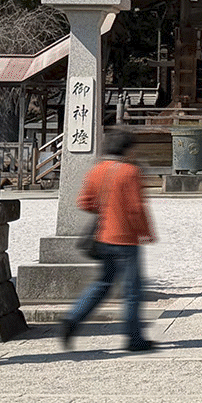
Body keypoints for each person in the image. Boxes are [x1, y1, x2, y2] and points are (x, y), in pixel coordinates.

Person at [60, 130, 156, 353]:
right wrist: (145, 232)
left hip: (103, 236)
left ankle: (73, 318)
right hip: (126, 238)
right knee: (132, 289)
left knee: (103, 283)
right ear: (127, 149)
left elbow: (84, 202)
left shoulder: (97, 170)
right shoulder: (131, 172)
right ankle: (134, 337)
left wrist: (106, 208)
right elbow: (136, 209)